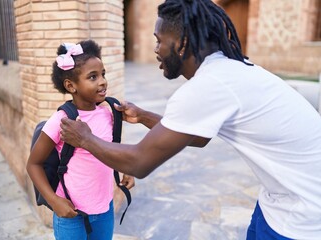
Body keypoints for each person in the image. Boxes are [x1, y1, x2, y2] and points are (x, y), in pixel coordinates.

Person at [59, 0, 321, 239]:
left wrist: (85, 138)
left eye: (159, 40)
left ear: (182, 44)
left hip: (303, 213)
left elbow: (139, 162)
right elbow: (199, 137)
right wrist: (143, 116)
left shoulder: (209, 85)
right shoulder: (228, 70)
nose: (156, 49)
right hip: (279, 198)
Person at [26, 39, 135, 240]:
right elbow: (33, 163)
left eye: (103, 74)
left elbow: (110, 149)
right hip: (70, 214)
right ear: (71, 85)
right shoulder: (62, 120)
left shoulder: (108, 113)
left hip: (104, 208)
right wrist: (54, 200)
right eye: (92, 77)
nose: (102, 81)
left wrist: (125, 169)